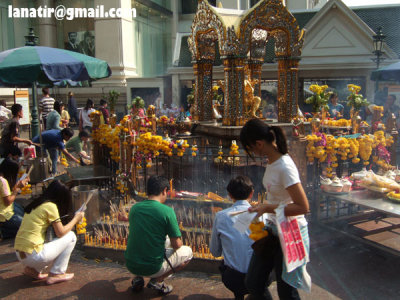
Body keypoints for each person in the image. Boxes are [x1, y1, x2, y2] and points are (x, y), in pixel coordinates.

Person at [240, 119, 310, 300]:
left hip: (290, 232)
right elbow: (278, 197)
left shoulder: (284, 166)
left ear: (259, 144)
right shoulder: (272, 162)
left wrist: (268, 207)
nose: (252, 153)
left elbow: (303, 206)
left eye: (251, 148)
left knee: (287, 291)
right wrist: (261, 209)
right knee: (253, 282)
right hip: (272, 229)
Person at [125, 175, 193, 295]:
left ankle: (137, 278)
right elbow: (177, 245)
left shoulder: (135, 209)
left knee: (143, 239)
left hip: (131, 264)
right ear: (164, 191)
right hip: (153, 268)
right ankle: (158, 280)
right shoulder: (167, 211)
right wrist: (180, 240)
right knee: (188, 252)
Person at [14, 180, 85, 284]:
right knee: (71, 236)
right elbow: (60, 232)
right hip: (33, 255)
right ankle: (57, 273)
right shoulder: (50, 206)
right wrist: (76, 219)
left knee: (51, 243)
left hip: (20, 254)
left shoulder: (38, 203)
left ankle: (32, 270)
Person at [210, 176, 256, 300]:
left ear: (230, 195)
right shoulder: (262, 215)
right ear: (251, 194)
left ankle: (239, 295)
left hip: (234, 280)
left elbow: (215, 252)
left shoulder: (221, 217)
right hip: (260, 276)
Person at [0, 158, 28, 239]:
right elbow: (8, 201)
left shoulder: (2, 180)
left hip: (5, 209)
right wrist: (17, 190)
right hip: (4, 215)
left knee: (21, 211)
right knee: (27, 227)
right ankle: (3, 232)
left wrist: (17, 187)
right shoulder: (3, 181)